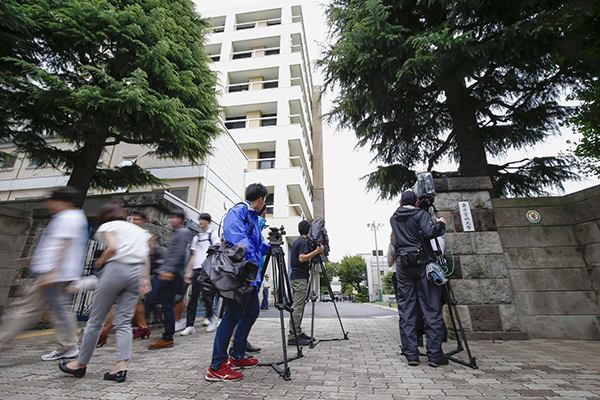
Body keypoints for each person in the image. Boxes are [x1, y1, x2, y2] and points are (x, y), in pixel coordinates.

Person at [59, 202, 151, 382]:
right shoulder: (138, 231)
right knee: (124, 322)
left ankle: (80, 364)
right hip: (136, 273)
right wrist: (146, 279)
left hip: (116, 269)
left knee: (95, 320)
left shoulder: (108, 226)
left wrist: (100, 262)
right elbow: (145, 256)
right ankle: (121, 367)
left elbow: (113, 248)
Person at [0, 187, 88, 367]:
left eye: (51, 201)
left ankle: (2, 344)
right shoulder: (74, 217)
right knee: (59, 310)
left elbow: (62, 244)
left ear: (62, 202)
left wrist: (51, 271)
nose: (48, 205)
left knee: (26, 310)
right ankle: (69, 345)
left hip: (53, 274)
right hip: (58, 273)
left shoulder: (68, 218)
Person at [205, 183, 270, 382]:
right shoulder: (239, 210)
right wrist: (252, 255)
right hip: (241, 273)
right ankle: (216, 366)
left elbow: (255, 243)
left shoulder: (251, 215)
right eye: (264, 200)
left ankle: (237, 355)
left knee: (251, 313)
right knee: (232, 316)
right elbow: (236, 237)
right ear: (260, 200)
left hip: (251, 274)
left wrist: (269, 247)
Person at [390, 190, 447, 368]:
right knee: (431, 307)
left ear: (400, 203)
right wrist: (441, 224)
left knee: (406, 309)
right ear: (415, 203)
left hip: (403, 264)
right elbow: (430, 232)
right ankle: (435, 356)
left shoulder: (394, 218)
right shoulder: (420, 213)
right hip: (422, 262)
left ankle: (411, 355)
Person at [146, 209, 191, 350]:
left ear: (181, 219)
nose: (171, 220)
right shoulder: (178, 233)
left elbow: (178, 254)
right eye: (170, 217)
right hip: (168, 271)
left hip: (170, 274)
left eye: (174, 218)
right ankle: (165, 333)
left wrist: (169, 270)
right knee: (159, 302)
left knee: (161, 303)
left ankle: (167, 337)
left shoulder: (183, 233)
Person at [181, 213, 221, 336]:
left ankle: (212, 318)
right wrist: (189, 270)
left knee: (207, 296)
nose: (201, 222)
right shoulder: (196, 237)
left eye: (203, 220)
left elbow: (217, 248)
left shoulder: (213, 234)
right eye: (200, 220)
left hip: (208, 269)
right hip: (197, 269)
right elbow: (193, 255)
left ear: (208, 221)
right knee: (193, 297)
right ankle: (190, 325)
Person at [287, 221, 324, 346]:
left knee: (299, 305)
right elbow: (302, 258)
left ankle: (297, 332)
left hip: (297, 277)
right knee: (298, 306)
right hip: (299, 278)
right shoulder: (302, 242)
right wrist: (316, 252)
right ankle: (293, 336)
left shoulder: (298, 241)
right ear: (309, 232)